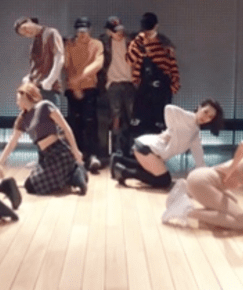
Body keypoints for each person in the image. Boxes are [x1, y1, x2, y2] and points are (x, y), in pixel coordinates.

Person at [0, 82, 88, 195]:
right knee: (30, 185)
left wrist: (75, 150)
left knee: (34, 185)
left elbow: (66, 128)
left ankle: (75, 172)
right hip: (45, 157)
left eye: (18, 99)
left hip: (59, 152)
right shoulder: (22, 119)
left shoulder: (45, 106)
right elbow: (11, 143)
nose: (17, 103)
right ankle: (73, 174)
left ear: (25, 95)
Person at [111, 100, 223, 189]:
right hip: (147, 148)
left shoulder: (195, 133)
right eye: (205, 112)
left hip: (152, 151)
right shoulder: (187, 117)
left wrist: (210, 177)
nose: (206, 117)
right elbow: (168, 108)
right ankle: (123, 172)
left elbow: (199, 159)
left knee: (152, 171)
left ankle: (120, 160)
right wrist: (171, 130)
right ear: (199, 108)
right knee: (164, 180)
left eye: (210, 117)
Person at [126, 12, 180, 138]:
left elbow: (172, 64)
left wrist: (174, 85)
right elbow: (130, 60)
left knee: (160, 124)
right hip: (143, 86)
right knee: (141, 123)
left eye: (150, 28)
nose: (148, 32)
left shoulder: (165, 44)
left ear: (156, 26)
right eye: (146, 29)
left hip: (162, 87)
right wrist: (138, 42)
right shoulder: (137, 42)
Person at [64, 17, 105, 174]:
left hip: (89, 89)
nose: (82, 34)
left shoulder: (96, 44)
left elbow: (98, 64)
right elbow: (66, 66)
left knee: (91, 122)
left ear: (90, 30)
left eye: (85, 31)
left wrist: (79, 79)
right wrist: (74, 86)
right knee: (75, 124)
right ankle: (78, 156)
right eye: (80, 31)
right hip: (72, 90)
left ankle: (93, 155)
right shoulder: (70, 45)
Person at [98, 16, 137, 158]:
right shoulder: (104, 43)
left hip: (130, 83)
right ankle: (116, 149)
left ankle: (131, 150)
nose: (119, 33)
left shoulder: (131, 40)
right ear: (109, 32)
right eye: (115, 31)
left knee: (132, 117)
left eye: (120, 30)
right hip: (113, 83)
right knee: (115, 117)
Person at [14, 16, 65, 106]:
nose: (27, 32)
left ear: (29, 21)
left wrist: (50, 80)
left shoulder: (51, 33)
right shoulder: (34, 44)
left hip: (49, 89)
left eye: (25, 28)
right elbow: (35, 67)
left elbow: (59, 58)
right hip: (35, 89)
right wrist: (28, 78)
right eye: (24, 34)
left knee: (50, 114)